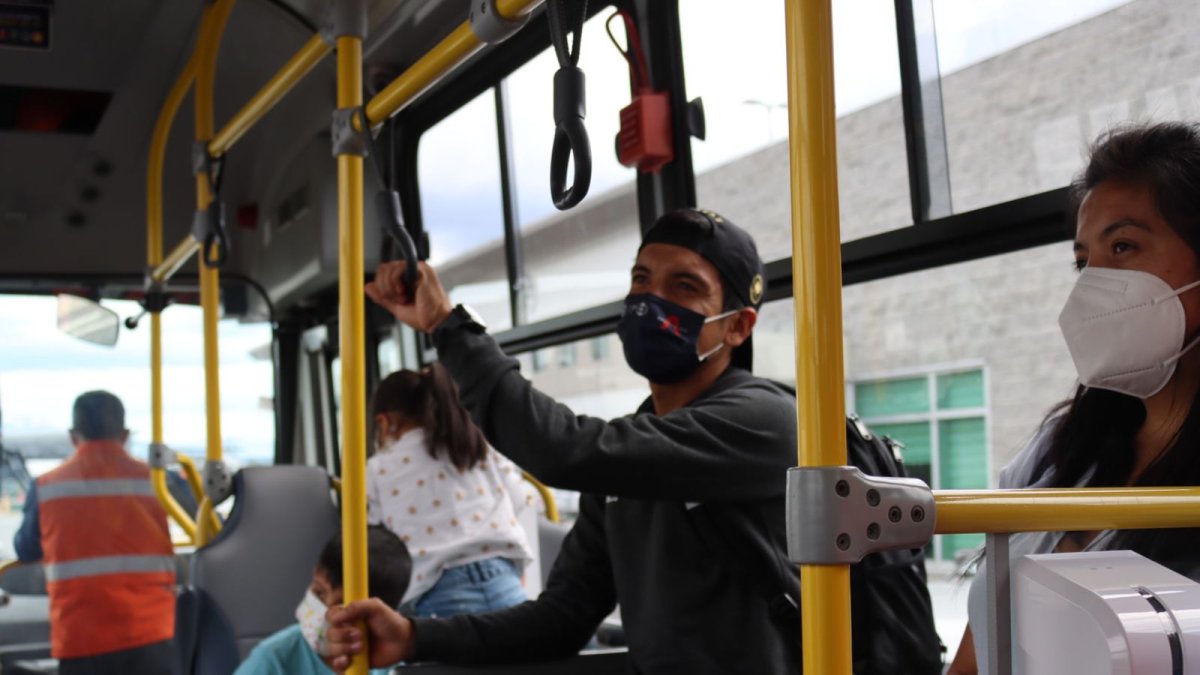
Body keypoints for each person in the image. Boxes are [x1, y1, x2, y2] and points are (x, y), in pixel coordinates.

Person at [327, 208, 804, 674]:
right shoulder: (630, 458)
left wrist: (445, 324)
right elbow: (562, 617)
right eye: (641, 279)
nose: (649, 299)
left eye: (684, 286)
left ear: (738, 326)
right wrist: (414, 636)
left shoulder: (762, 421)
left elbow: (558, 449)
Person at [946, 121, 1200, 675]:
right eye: (1084, 261)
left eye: (1124, 246)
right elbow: (979, 648)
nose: (1092, 285)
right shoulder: (1057, 449)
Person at [13, 391, 176, 674]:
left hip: (81, 638)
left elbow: (26, 549)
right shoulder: (160, 482)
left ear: (73, 436)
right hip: (152, 633)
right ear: (125, 435)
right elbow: (203, 524)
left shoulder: (47, 487)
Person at [367, 364, 533, 617]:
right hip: (505, 581)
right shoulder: (475, 445)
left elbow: (377, 539)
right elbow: (521, 499)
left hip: (435, 592)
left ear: (385, 421)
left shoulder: (378, 468)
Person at [235, 525, 411, 675]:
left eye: (344, 607)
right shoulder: (274, 660)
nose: (327, 612)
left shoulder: (392, 666)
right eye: (319, 593)